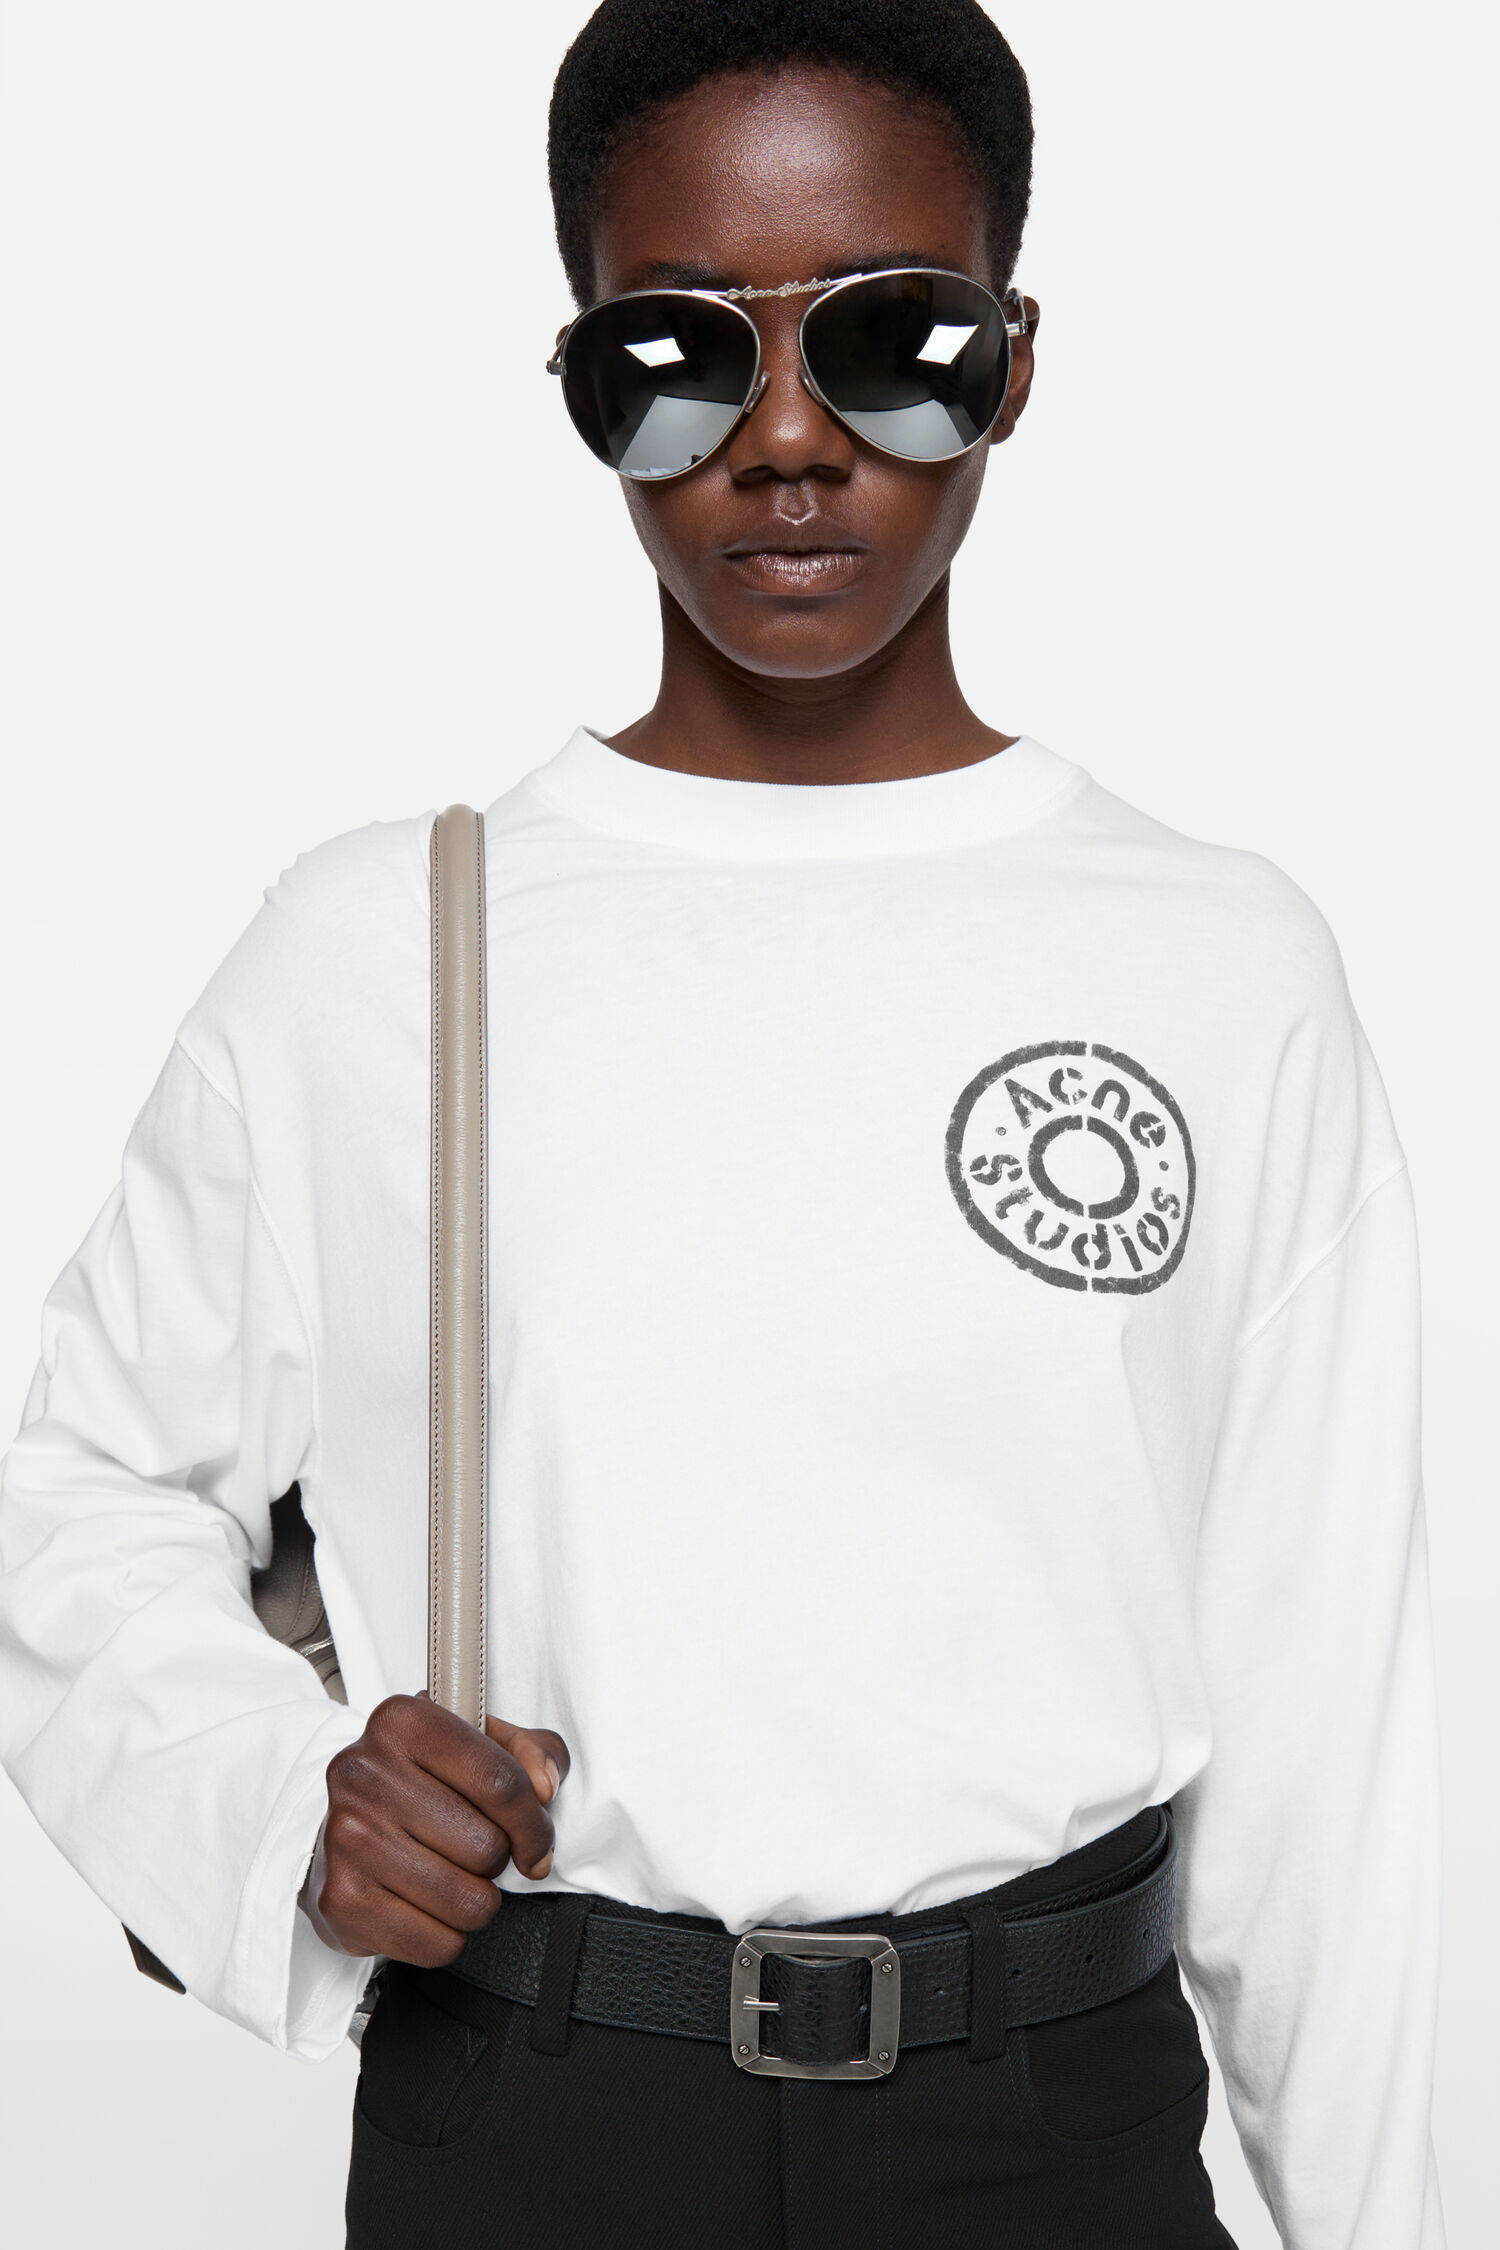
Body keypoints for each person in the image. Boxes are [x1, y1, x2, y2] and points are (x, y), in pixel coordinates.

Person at [0, 3, 1445, 2245]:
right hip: (543, 2113)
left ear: (1015, 361)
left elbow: (1324, 1730)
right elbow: (82, 1481)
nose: (783, 440)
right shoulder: (382, 948)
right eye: (674, 354)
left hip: (1053, 2130)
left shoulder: (1219, 963)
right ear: (579, 383)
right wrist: (279, 1802)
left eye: (893, 341)